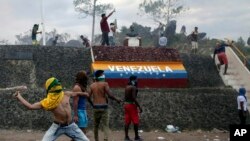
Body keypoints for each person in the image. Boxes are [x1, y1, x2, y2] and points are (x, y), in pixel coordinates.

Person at [14, 77, 89, 141]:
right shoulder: (48, 102)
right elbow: (30, 106)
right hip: (57, 127)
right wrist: (19, 96)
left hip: (71, 125)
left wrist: (84, 94)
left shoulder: (66, 94)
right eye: (55, 84)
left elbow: (76, 93)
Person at [89, 70, 121, 141]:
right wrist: (117, 99)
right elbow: (109, 95)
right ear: (100, 76)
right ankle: (105, 139)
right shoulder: (105, 84)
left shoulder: (92, 85)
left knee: (96, 126)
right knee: (105, 125)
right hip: (104, 107)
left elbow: (88, 97)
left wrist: (92, 104)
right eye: (103, 74)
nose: (104, 75)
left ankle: (96, 139)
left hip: (95, 107)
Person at [124, 75, 143, 141]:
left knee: (127, 121)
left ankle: (126, 137)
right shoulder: (133, 87)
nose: (136, 81)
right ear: (133, 80)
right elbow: (134, 98)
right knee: (136, 122)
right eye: (136, 80)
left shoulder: (127, 87)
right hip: (131, 105)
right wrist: (139, 106)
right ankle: (136, 137)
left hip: (126, 105)